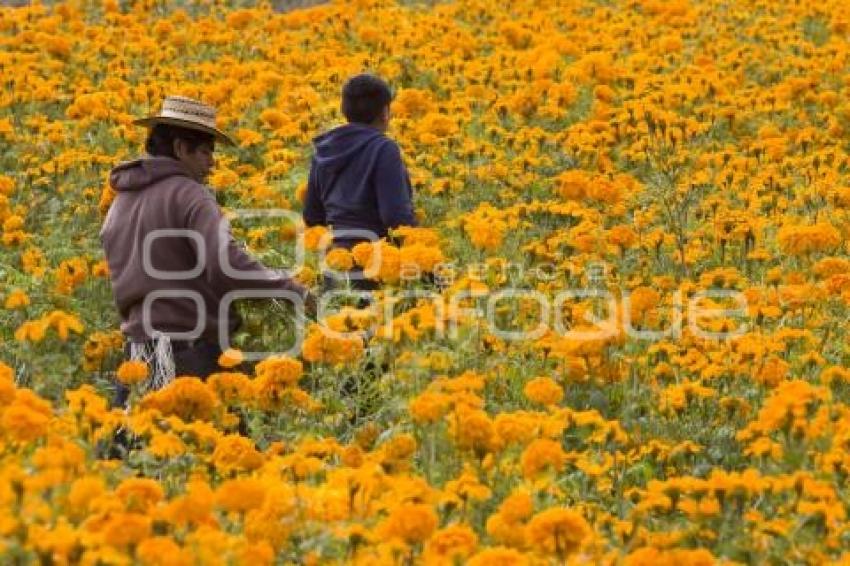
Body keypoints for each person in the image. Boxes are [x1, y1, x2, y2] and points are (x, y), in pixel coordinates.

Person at [101, 95, 315, 407]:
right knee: (223, 450)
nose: (211, 163)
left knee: (133, 449)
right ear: (178, 149)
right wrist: (291, 290)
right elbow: (226, 264)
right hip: (188, 355)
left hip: (138, 354)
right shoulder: (190, 194)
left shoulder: (121, 201)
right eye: (204, 152)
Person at [302, 73, 417, 292]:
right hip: (378, 268)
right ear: (385, 112)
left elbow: (312, 217)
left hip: (336, 266)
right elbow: (396, 218)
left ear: (345, 111)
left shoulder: (324, 151)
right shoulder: (384, 149)